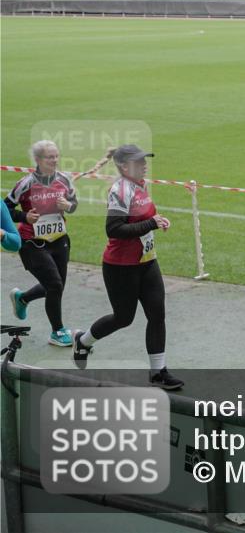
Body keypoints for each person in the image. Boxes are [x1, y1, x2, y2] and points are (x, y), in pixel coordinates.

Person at [71, 145, 183, 390]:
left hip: (147, 262)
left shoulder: (140, 185)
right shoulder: (120, 190)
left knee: (157, 314)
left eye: (145, 160)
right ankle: (83, 340)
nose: (144, 164)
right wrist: (150, 224)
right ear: (123, 166)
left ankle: (158, 372)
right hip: (121, 266)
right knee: (124, 318)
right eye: (138, 161)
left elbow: (143, 219)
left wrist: (158, 220)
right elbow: (114, 229)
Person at [5, 140, 77, 346]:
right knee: (54, 285)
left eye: (56, 156)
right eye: (49, 157)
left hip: (59, 240)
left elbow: (73, 204)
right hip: (32, 243)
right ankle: (57, 332)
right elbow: (5, 208)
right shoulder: (25, 183)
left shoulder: (64, 179)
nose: (54, 160)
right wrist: (24, 216)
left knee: (56, 286)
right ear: (37, 160)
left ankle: (22, 298)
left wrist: (68, 205)